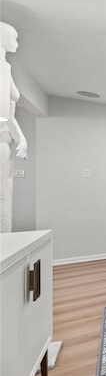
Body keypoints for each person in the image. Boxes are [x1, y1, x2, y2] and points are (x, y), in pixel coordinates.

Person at [1, 21, 27, 232]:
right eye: (14, 37)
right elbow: (5, 114)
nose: (16, 42)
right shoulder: (1, 67)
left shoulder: (4, 67)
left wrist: (19, 139)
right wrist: (21, 139)